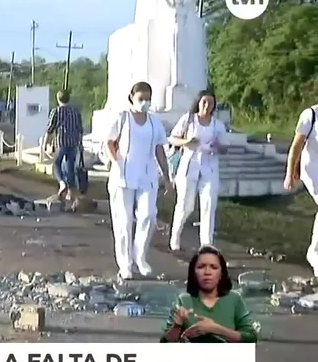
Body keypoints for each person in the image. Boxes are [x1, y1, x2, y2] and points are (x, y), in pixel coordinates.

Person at [105, 81, 172, 279]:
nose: (144, 102)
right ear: (132, 98)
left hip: (147, 175)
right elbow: (110, 141)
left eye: (147, 98)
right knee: (123, 221)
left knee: (148, 215)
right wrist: (114, 159)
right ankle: (125, 264)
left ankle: (140, 257)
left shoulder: (154, 123)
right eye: (140, 98)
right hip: (123, 175)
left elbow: (160, 149)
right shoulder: (123, 118)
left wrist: (167, 177)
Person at [168, 91, 227, 250]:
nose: (207, 106)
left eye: (211, 103)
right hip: (189, 167)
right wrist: (186, 141)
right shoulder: (188, 120)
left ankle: (206, 243)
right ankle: (175, 236)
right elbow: (172, 138)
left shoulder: (217, 125)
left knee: (209, 203)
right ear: (198, 103)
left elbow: (224, 148)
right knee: (186, 205)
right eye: (204, 102)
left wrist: (218, 147)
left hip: (209, 168)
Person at [161, 245, 257, 343]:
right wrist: (177, 325)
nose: (207, 272)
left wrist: (215, 329)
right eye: (201, 267)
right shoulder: (183, 301)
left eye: (214, 267)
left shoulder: (234, 299)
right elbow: (165, 344)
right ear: (193, 272)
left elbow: (251, 338)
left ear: (221, 273)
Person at [283, 101, 318, 275]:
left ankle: (314, 251)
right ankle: (314, 253)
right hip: (311, 169)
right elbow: (296, 147)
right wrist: (290, 173)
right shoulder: (310, 115)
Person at [44, 89, 84, 202]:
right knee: (69, 167)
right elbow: (80, 130)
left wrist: (46, 144)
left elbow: (50, 129)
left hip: (61, 142)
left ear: (58, 99)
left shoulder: (56, 111)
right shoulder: (76, 112)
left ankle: (62, 183)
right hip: (74, 142)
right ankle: (71, 193)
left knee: (56, 164)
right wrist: (80, 144)